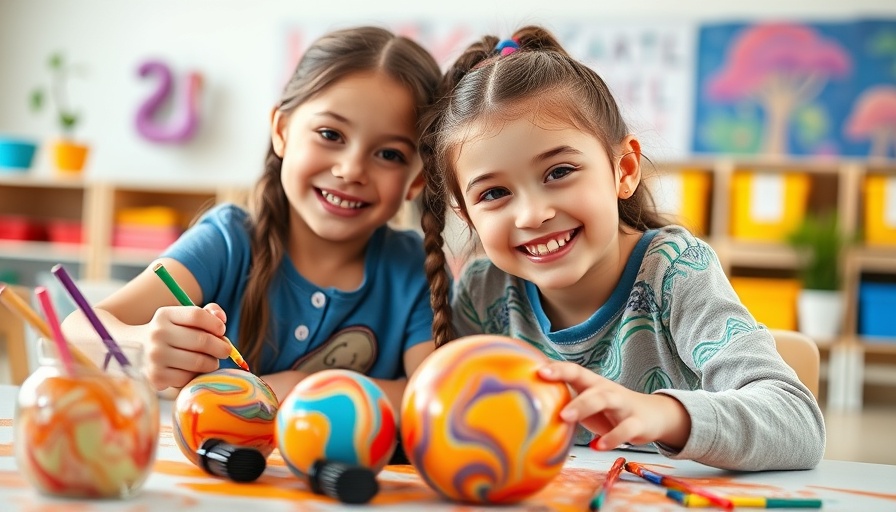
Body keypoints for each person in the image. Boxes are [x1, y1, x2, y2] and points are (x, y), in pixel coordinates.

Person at [417, 25, 825, 471]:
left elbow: (798, 422)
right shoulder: (483, 292)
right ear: (464, 213)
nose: (532, 215)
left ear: (624, 169)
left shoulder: (675, 272)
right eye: (494, 194)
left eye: (559, 172)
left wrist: (663, 415)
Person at [62, 26, 441, 409]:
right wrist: (140, 345)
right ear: (282, 130)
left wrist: (304, 387)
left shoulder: (415, 268)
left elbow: (430, 397)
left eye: (389, 155)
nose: (351, 169)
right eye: (330, 134)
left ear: (416, 180)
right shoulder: (228, 241)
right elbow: (75, 332)